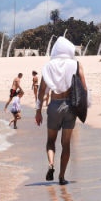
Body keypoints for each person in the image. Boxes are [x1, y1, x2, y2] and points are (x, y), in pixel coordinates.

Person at [35, 37, 85, 185]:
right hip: (70, 106)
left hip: (54, 105)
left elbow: (42, 90)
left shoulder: (49, 66)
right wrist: (83, 108)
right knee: (66, 143)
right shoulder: (76, 64)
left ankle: (51, 164)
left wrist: (38, 111)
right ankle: (62, 177)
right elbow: (84, 87)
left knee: (51, 141)